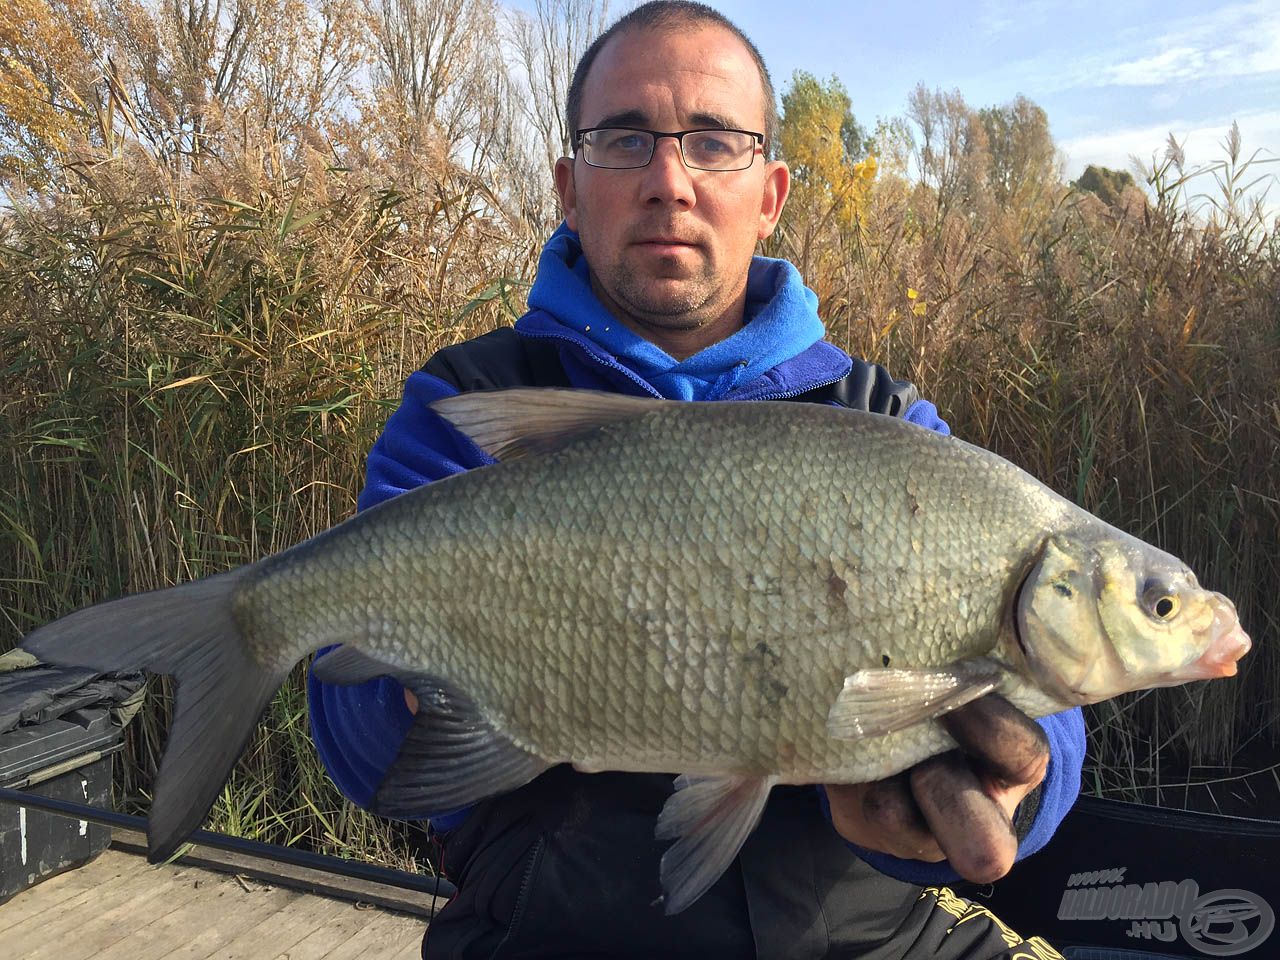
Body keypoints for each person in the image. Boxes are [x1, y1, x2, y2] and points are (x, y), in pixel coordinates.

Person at [309, 3, 1085, 957]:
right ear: (568, 184)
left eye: (714, 142)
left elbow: (1053, 719)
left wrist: (1011, 786)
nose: (668, 181)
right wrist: (427, 680)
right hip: (546, 934)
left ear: (770, 192)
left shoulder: (880, 420)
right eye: (624, 138)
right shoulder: (469, 402)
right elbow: (356, 737)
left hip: (861, 935)